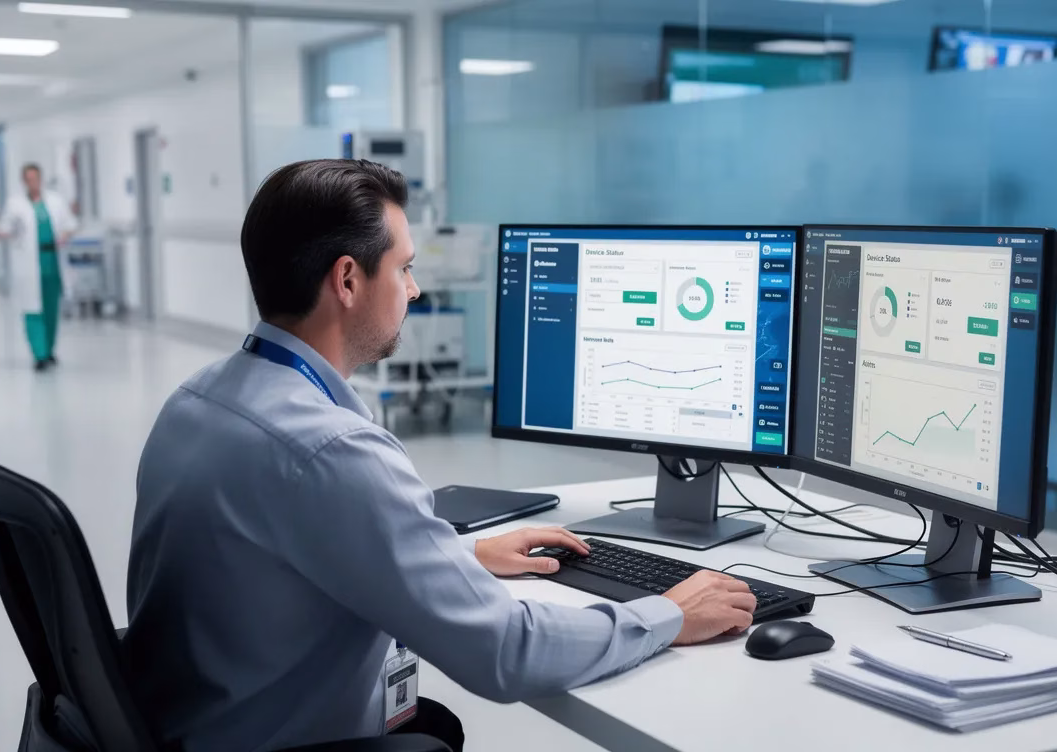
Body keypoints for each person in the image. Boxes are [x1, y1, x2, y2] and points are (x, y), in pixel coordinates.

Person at [125, 160, 757, 752]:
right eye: (403, 269)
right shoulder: (334, 451)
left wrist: (461, 556)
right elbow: (505, 652)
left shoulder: (196, 401)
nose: (416, 289)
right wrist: (669, 614)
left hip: (198, 724)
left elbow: (294, 551)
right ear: (348, 280)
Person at [0, 163, 77, 371]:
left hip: (52, 261)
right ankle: (39, 354)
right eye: (28, 179)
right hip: (29, 264)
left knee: (50, 309)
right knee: (32, 309)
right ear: (24, 181)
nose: (33, 182)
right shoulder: (15, 203)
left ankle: (49, 351)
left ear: (41, 179)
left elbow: (70, 224)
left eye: (36, 178)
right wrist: (5, 232)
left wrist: (65, 235)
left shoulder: (55, 201)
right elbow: (3, 227)